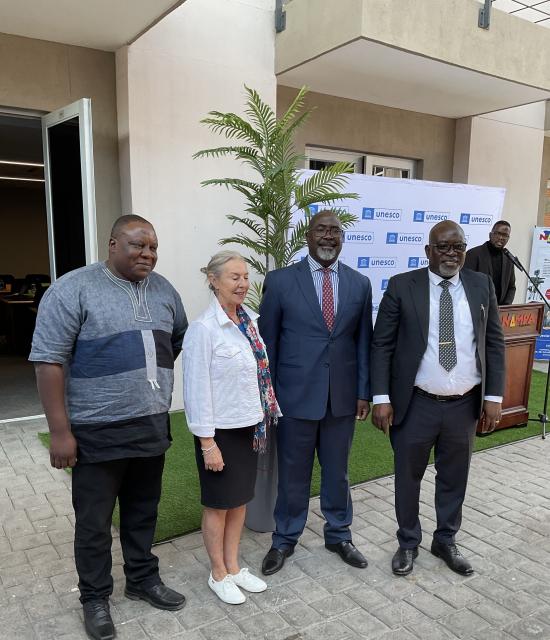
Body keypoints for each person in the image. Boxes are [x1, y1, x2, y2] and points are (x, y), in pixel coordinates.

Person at [29, 215, 188, 640]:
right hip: (95, 431)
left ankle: (141, 579)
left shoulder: (164, 290)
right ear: (113, 243)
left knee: (142, 511)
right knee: (95, 523)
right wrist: (60, 431)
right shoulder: (72, 289)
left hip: (150, 426)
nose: (147, 254)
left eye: (153, 247)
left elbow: (175, 340)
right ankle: (95, 597)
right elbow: (48, 361)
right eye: (138, 245)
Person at [371, 220, 505, 578]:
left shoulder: (481, 284)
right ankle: (408, 542)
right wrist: (381, 396)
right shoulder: (403, 286)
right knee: (407, 477)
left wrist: (493, 395)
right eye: (443, 247)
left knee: (454, 477)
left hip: (464, 405)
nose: (451, 254)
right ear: (428, 250)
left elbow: (493, 342)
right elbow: (381, 343)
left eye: (457, 246)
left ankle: (445, 539)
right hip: (416, 403)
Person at [259, 209, 373, 576]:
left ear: (343, 238)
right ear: (307, 236)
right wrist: (268, 396)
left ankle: (339, 534)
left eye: (336, 231)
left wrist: (363, 392)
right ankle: (285, 539)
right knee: (293, 472)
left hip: (341, 398)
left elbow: (363, 344)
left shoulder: (359, 283)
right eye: (321, 230)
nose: (329, 237)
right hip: (293, 397)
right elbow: (269, 344)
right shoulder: (279, 282)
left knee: (337, 472)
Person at [182, 251, 279, 604]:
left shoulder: (248, 321)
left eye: (245, 276)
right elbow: (196, 389)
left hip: (247, 427)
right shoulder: (203, 329)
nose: (242, 283)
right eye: (234, 277)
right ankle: (217, 573)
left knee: (240, 502)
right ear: (213, 280)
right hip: (218, 432)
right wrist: (208, 442)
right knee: (219, 504)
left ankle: (235, 566)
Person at [464, 220, 516, 305]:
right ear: (490, 234)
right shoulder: (473, 254)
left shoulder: (509, 258)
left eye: (505, 235)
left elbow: (511, 287)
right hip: (477, 309)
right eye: (498, 233)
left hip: (500, 311)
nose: (501, 238)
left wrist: (506, 307)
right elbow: (466, 284)